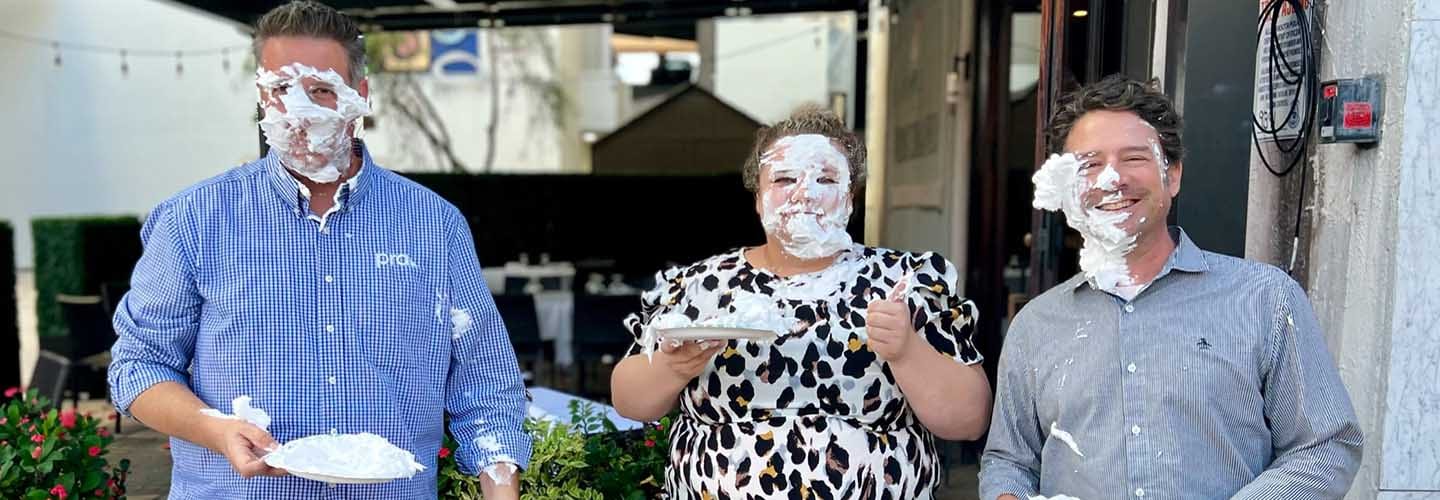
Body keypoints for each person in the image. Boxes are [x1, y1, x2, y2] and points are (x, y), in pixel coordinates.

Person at [106, 2, 529, 497]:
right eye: (280, 91)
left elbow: (489, 389)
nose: (298, 112)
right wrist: (216, 430)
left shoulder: (434, 225)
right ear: (262, 97)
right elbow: (138, 366)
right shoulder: (194, 220)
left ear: (360, 96)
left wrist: (499, 483)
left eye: (321, 90)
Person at [978, 74, 1363, 500]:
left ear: (1173, 175)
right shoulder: (1037, 325)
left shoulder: (1265, 299)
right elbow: (1008, 461)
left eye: (1134, 158)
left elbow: (1326, 445)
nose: (1112, 179)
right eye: (1089, 164)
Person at [610, 105, 992, 499]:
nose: (803, 192)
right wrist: (672, 367)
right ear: (758, 197)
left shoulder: (904, 282)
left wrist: (908, 351)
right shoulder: (702, 285)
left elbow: (969, 419)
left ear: (850, 197)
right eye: (784, 178)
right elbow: (629, 400)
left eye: (825, 179)